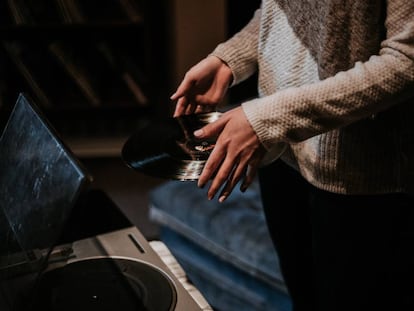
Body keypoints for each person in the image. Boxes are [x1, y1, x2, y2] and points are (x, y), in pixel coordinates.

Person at [170, 1, 414, 310]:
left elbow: (407, 62)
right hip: (281, 149)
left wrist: (271, 118)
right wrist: (231, 57)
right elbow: (283, 8)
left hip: (359, 177)